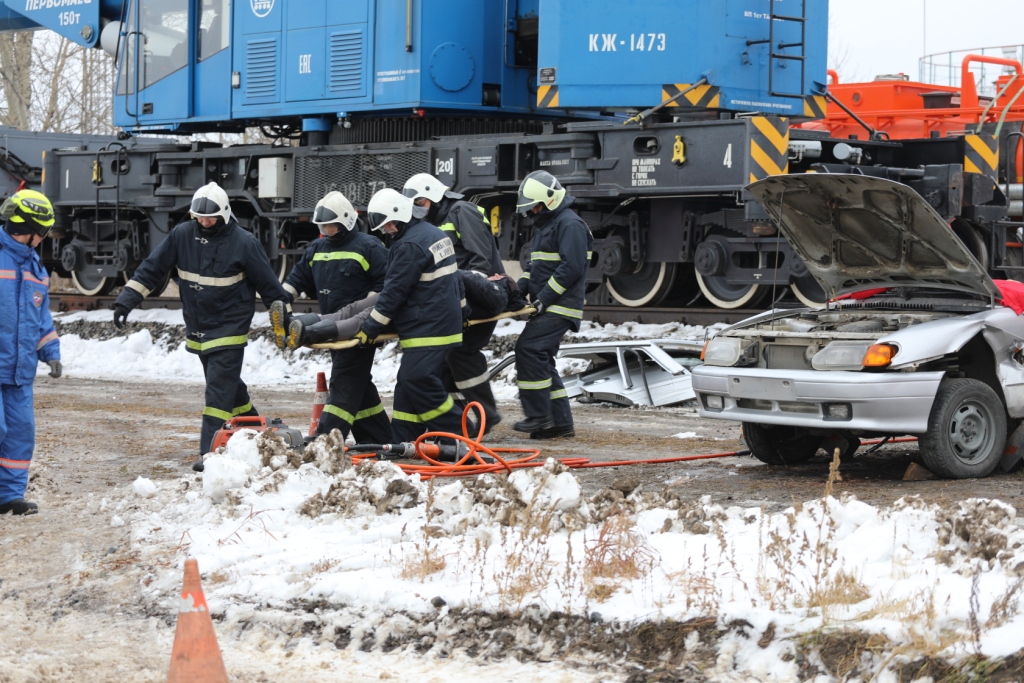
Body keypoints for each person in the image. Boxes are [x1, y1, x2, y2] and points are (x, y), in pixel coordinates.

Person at [112, 182, 289, 470]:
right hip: (199, 329)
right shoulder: (182, 235)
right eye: (200, 218)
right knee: (232, 392)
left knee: (217, 395)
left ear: (225, 215)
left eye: (211, 218)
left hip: (230, 330)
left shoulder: (244, 243)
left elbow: (270, 287)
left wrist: (284, 321)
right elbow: (153, 267)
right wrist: (126, 299)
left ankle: (210, 455)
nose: (205, 223)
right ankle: (257, 433)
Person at [269, 191, 391, 444]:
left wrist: (366, 315)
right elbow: (297, 278)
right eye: (322, 226)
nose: (326, 230)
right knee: (359, 385)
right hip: (330, 326)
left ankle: (325, 441)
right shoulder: (317, 247)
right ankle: (379, 438)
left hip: (357, 330)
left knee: (344, 383)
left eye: (331, 225)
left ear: (347, 221)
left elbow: (384, 285)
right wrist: (282, 302)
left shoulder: (368, 246)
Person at [355, 188, 465, 443]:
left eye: (390, 223)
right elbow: (456, 280)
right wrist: (462, 311)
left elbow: (394, 293)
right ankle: (402, 441)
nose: (388, 230)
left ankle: (458, 434)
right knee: (406, 387)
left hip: (428, 327)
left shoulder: (408, 246)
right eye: (384, 226)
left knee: (415, 379)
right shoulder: (434, 233)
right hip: (442, 321)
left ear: (402, 214)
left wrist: (371, 327)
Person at [402, 173, 506, 429]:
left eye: (421, 202)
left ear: (435, 197)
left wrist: (470, 295)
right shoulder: (432, 223)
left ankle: (485, 416)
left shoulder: (462, 210)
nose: (418, 210)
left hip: (479, 293)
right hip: (455, 297)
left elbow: (480, 260)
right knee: (448, 356)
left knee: (461, 352)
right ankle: (459, 424)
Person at [513, 170, 593, 439]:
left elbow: (571, 268)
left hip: (560, 306)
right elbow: (534, 267)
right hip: (548, 305)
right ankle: (559, 424)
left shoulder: (570, 225)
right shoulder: (546, 226)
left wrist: (542, 299)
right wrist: (518, 289)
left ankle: (538, 416)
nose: (531, 213)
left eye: (534, 207)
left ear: (548, 201)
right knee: (543, 359)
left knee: (528, 349)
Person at [0, 190, 62, 515]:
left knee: (20, 433)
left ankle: (9, 497)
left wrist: (50, 350)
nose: (45, 238)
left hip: (19, 371)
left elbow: (41, 319)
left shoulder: (35, 266)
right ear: (30, 227)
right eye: (44, 231)